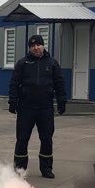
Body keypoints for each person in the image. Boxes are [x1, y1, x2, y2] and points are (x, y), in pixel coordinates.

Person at [9, 34, 66, 178]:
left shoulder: (52, 63)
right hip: (26, 108)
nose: (36, 47)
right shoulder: (22, 63)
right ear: (29, 48)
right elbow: (14, 83)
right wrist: (12, 101)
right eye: (33, 46)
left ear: (43, 46)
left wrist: (62, 101)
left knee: (46, 139)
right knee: (22, 139)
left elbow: (59, 83)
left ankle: (46, 168)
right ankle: (19, 169)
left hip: (45, 108)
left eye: (38, 45)